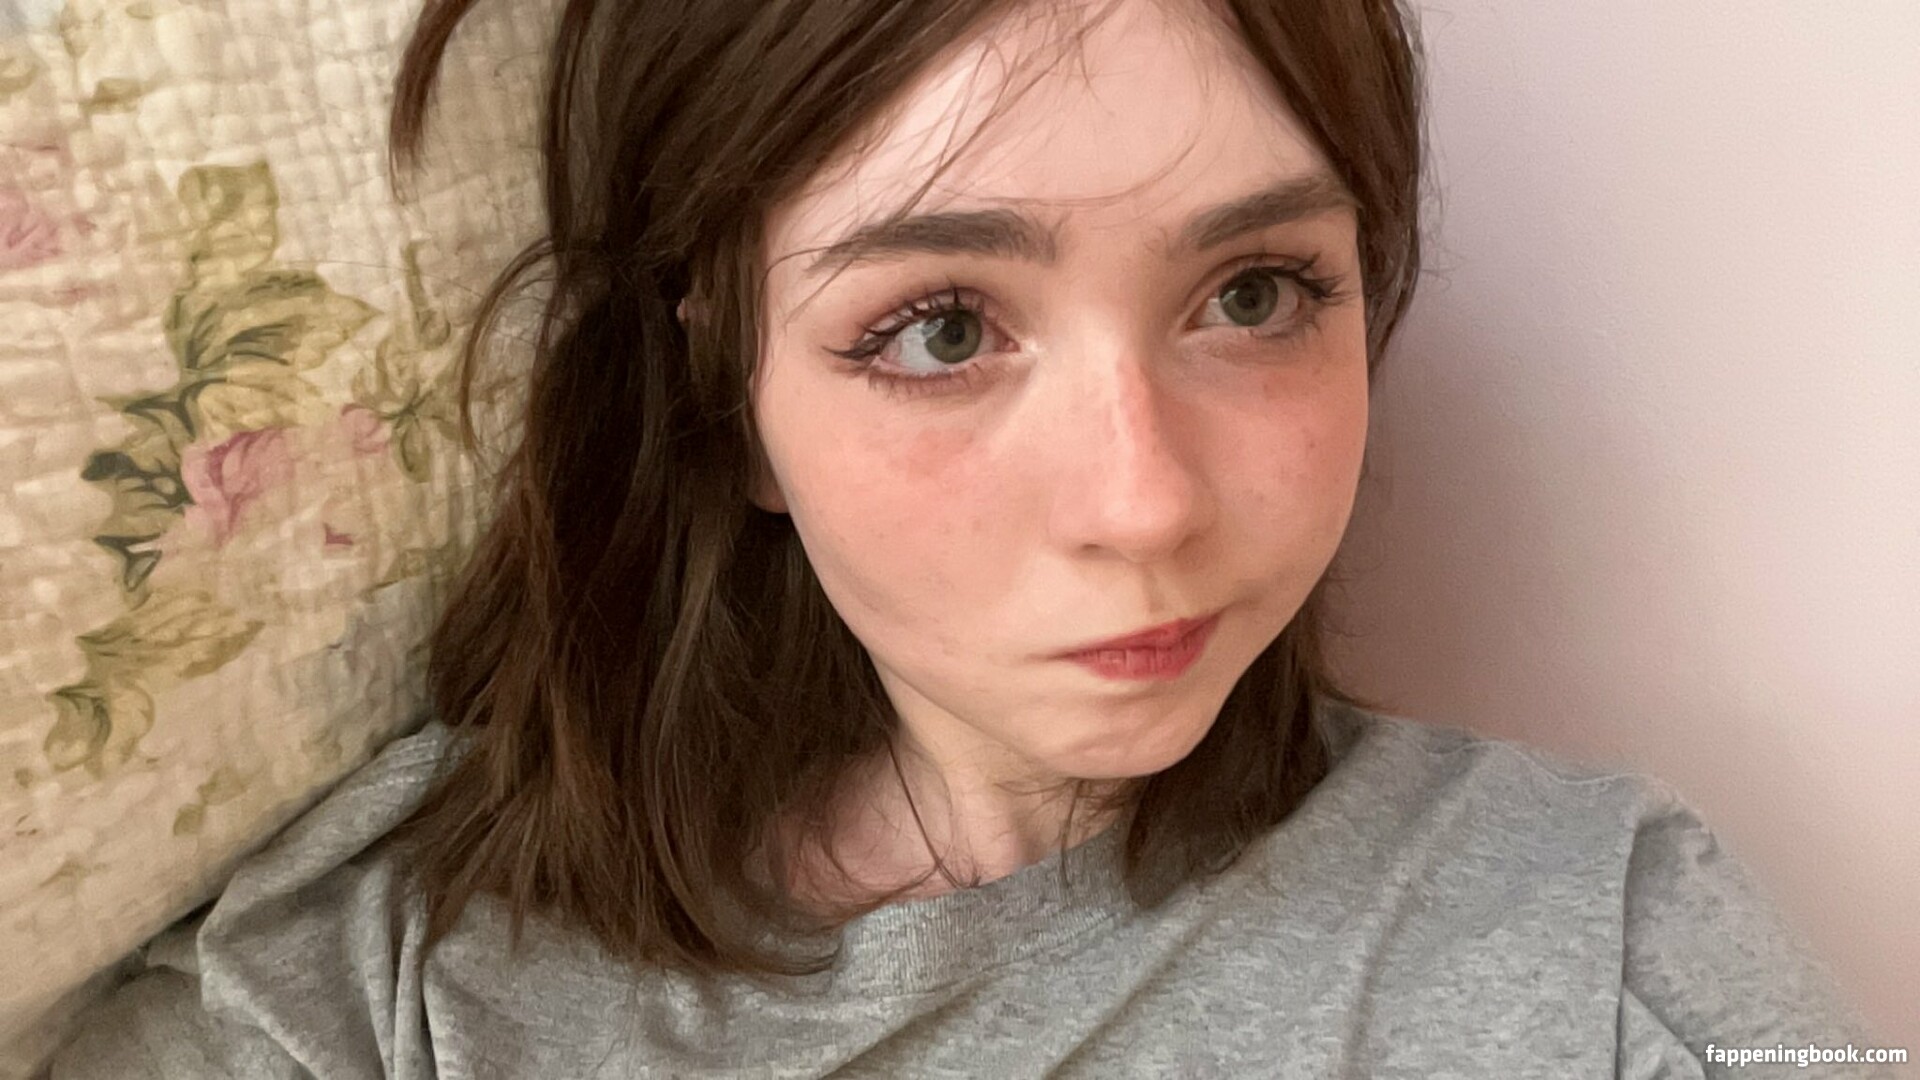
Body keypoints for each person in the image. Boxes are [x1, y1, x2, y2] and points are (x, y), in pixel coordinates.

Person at [46, 0, 1896, 1076]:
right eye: (939, 329)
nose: (1146, 502)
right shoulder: (379, 986)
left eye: (1257, 293)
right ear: (727, 399)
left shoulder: (1605, 931)